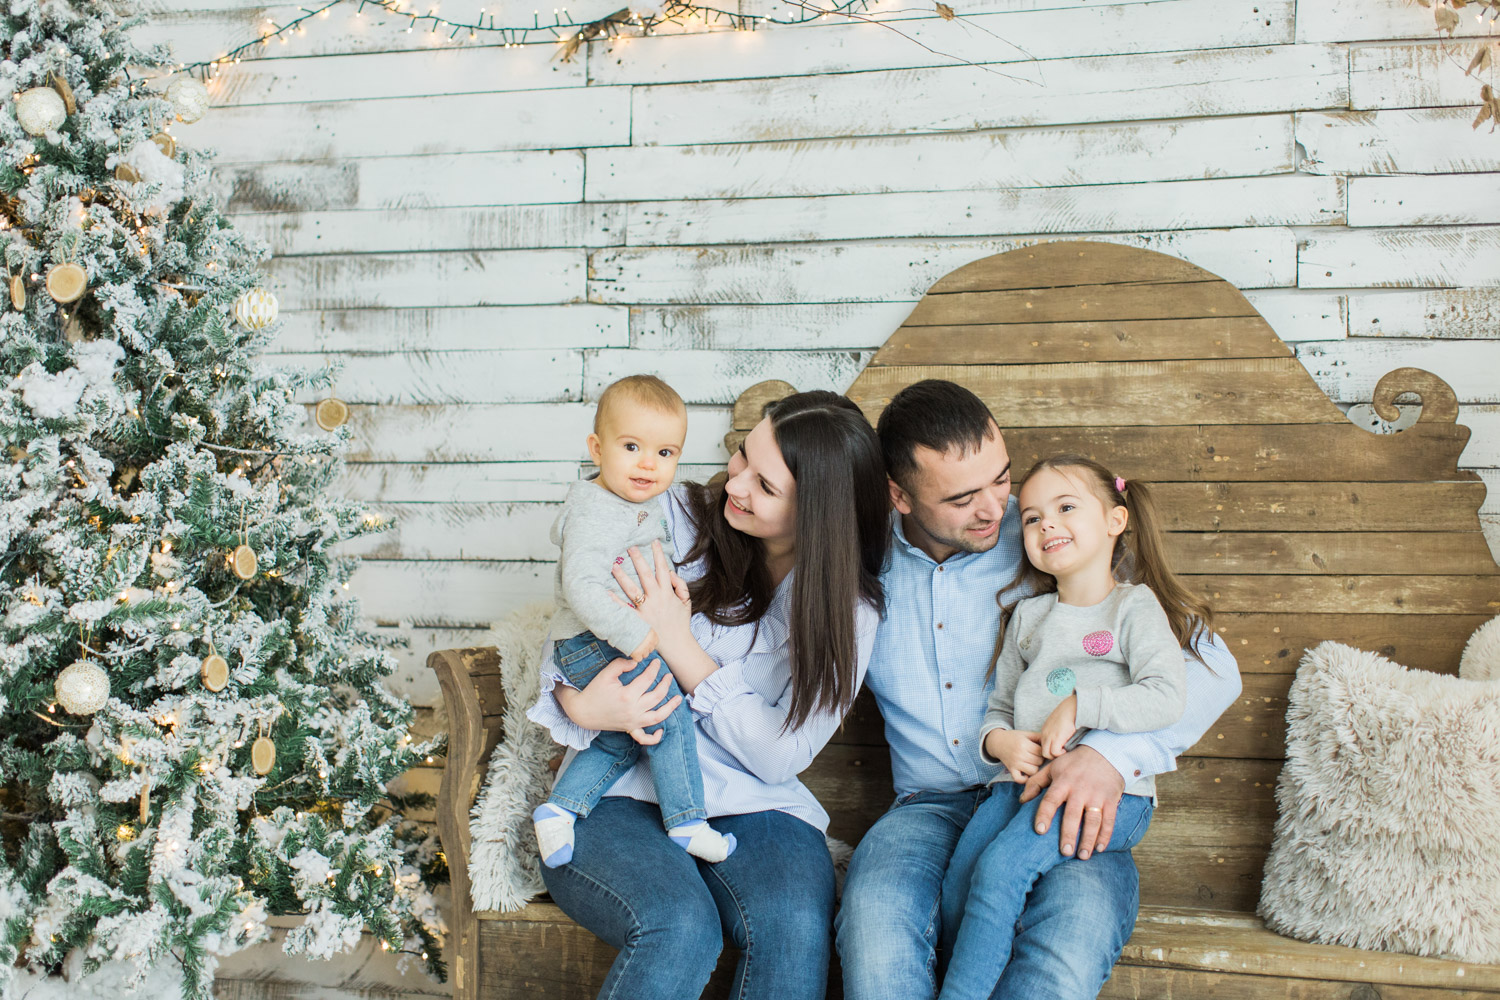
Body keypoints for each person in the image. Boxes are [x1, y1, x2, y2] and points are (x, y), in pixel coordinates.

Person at [836, 380, 1242, 1000]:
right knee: (876, 940)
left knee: (1062, 957)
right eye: (962, 497)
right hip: (926, 808)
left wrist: (1108, 757)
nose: (994, 509)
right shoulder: (858, 563)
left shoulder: (1055, 530)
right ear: (899, 495)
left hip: (1064, 796)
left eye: (1001, 479)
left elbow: (1213, 666)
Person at [526, 389, 891, 1000]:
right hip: (620, 786)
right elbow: (577, 603)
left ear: (818, 515)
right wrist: (578, 704)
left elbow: (779, 755)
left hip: (755, 800)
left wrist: (679, 645)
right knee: (680, 926)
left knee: (793, 928)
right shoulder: (668, 511)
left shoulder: (848, 611)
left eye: (765, 486)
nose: (735, 484)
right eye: (743, 456)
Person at [937, 457, 1215, 999]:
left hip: (1106, 795)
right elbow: (999, 708)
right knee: (961, 881)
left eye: (1066, 508)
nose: (1047, 525)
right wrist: (1000, 742)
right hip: (1015, 785)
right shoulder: (1028, 617)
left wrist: (1080, 705)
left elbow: (1166, 696)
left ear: (1115, 519)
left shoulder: (1134, 607)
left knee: (1000, 873)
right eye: (1032, 518)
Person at [531, 375, 734, 869]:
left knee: (625, 733)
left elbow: (642, 559)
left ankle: (559, 810)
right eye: (631, 447)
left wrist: (671, 588)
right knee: (668, 711)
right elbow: (582, 586)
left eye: (665, 452)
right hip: (595, 639)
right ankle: (687, 821)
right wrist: (635, 633)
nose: (648, 464)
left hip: (601, 638)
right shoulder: (597, 511)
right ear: (597, 449)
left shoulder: (634, 502)